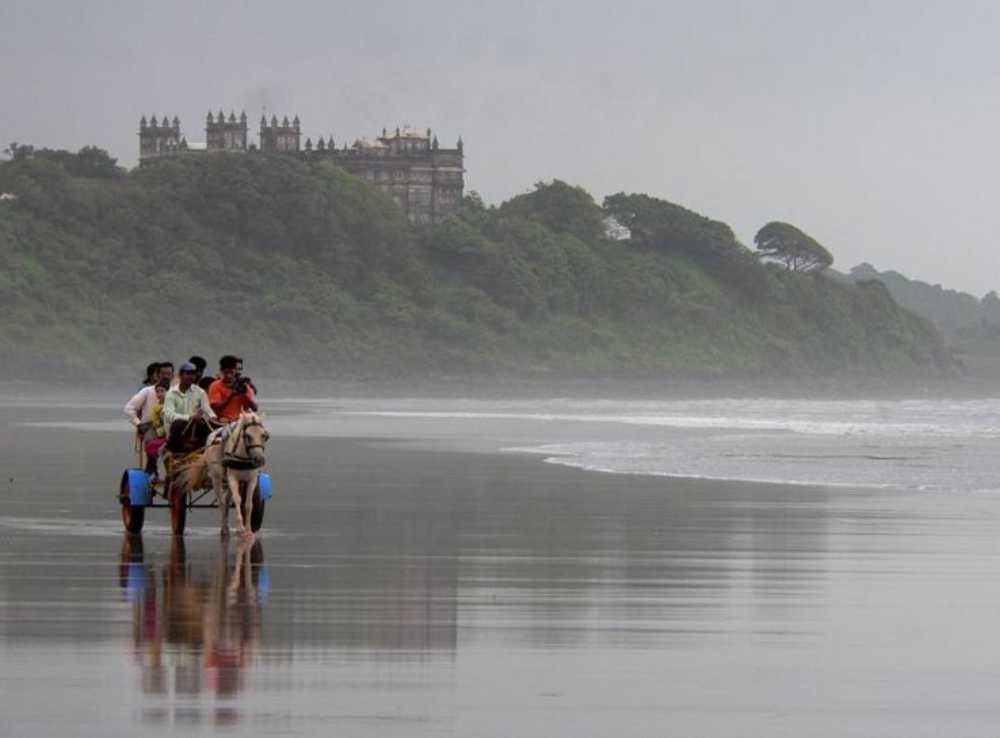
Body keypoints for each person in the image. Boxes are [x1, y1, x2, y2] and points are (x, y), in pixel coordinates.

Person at [163, 361, 217, 453]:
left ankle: (206, 452)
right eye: (188, 373)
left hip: (195, 426)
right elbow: (168, 414)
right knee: (178, 424)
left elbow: (207, 409)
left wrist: (213, 418)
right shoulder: (171, 393)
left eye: (193, 374)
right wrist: (189, 418)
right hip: (177, 429)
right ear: (180, 375)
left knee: (211, 427)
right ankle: (175, 451)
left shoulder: (200, 392)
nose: (191, 377)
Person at [124, 361, 175, 432]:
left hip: (171, 432)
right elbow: (128, 408)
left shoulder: (176, 392)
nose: (165, 376)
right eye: (163, 374)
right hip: (150, 431)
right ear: (158, 375)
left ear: (173, 376)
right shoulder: (147, 391)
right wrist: (138, 424)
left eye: (168, 374)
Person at [208, 355, 259, 423]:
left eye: (231, 373)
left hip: (240, 421)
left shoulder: (244, 386)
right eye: (226, 373)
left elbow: (255, 408)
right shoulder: (215, 385)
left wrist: (245, 394)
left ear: (235, 371)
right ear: (221, 371)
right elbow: (215, 408)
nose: (228, 376)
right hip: (221, 422)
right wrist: (231, 396)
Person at [143, 382, 169, 479]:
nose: (159, 394)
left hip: (171, 431)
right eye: (157, 392)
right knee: (151, 446)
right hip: (160, 432)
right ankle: (153, 470)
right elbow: (155, 421)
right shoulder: (156, 407)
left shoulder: (172, 404)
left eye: (162, 391)